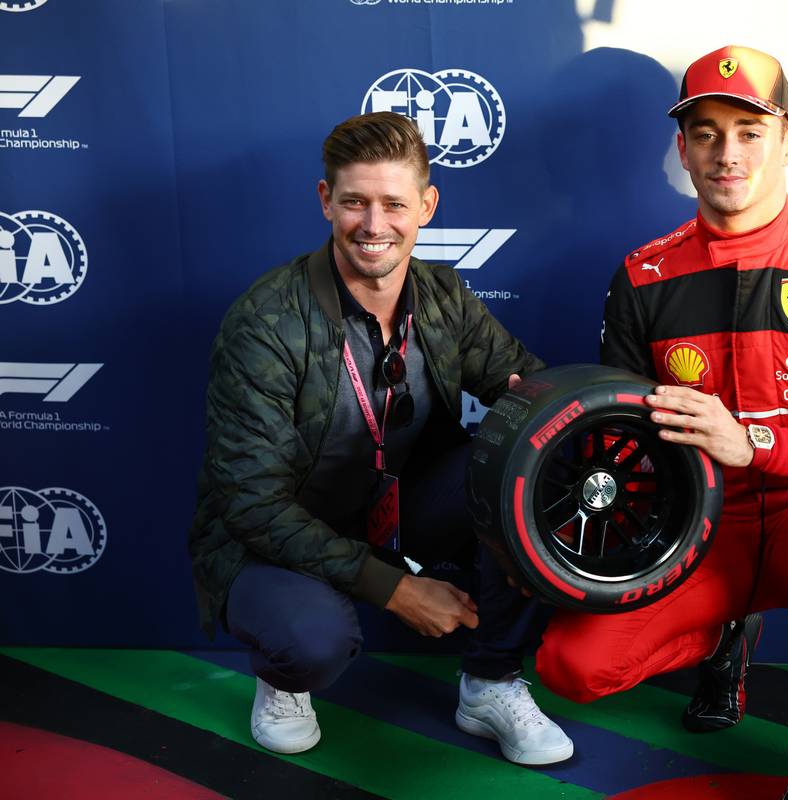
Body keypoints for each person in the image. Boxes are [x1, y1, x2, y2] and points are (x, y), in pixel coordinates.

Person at [535, 46, 788, 800]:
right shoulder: (645, 275)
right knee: (571, 669)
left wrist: (754, 442)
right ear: (683, 150)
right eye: (706, 133)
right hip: (700, 538)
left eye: (751, 131)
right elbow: (622, 442)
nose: (727, 153)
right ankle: (723, 635)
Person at [188, 112, 573, 766]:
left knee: (528, 469)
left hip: (396, 510)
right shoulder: (266, 321)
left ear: (426, 206)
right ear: (325, 200)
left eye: (393, 204)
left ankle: (490, 680)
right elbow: (251, 504)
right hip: (276, 535)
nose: (373, 225)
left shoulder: (444, 295)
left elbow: (527, 384)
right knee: (312, 643)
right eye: (354, 203)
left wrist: (551, 408)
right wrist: (394, 589)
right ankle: (282, 681)